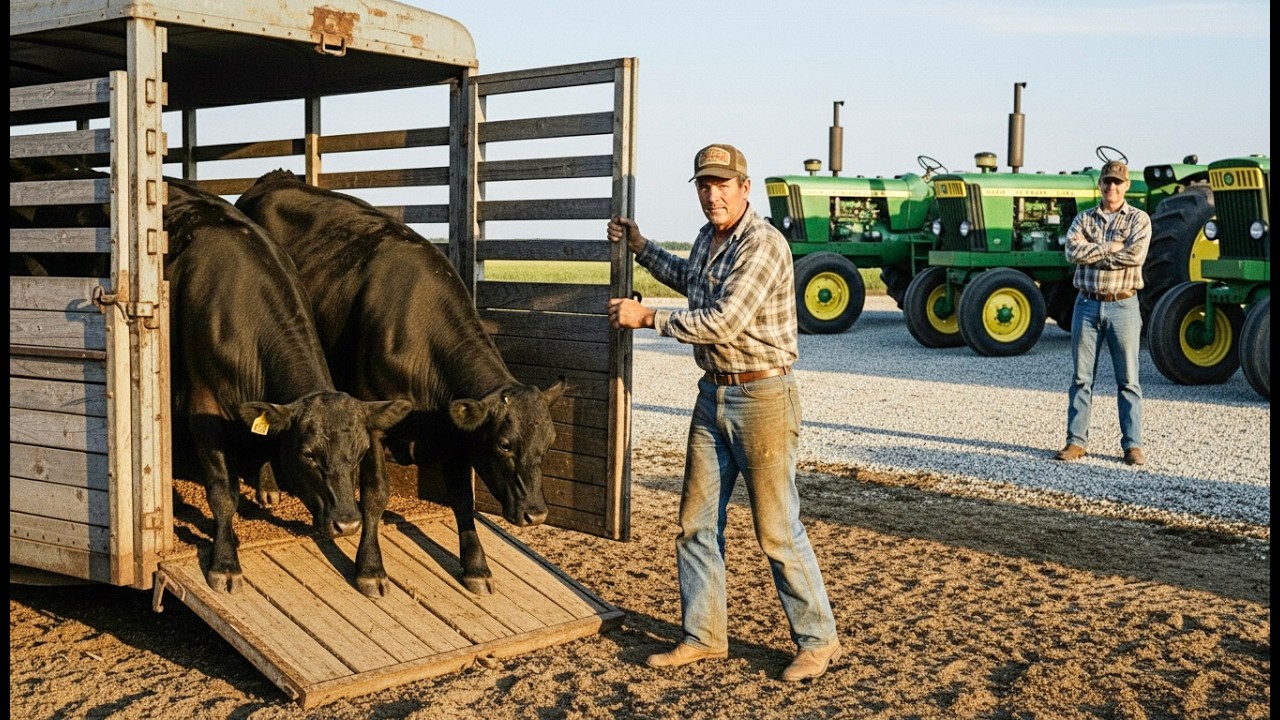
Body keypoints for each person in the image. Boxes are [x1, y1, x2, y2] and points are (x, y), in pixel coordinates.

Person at [606, 143, 841, 682]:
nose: (713, 195)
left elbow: (723, 320)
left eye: (722, 184)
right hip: (713, 393)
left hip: (763, 398)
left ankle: (818, 641)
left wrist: (648, 318)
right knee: (695, 523)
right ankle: (704, 636)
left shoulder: (762, 244)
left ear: (744, 188)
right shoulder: (708, 239)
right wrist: (642, 247)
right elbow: (690, 280)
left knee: (776, 529)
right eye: (705, 185)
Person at [1056, 160, 1152, 466]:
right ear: (1099, 184)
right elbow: (1071, 252)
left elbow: (1134, 256)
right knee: (1081, 378)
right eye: (1107, 181)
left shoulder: (1139, 219)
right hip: (1086, 304)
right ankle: (1076, 442)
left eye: (1117, 182)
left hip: (1124, 304)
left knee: (1128, 380)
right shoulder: (1084, 218)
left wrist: (1094, 252)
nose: (1112, 187)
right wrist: (1111, 248)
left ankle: (1133, 445)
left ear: (1126, 186)